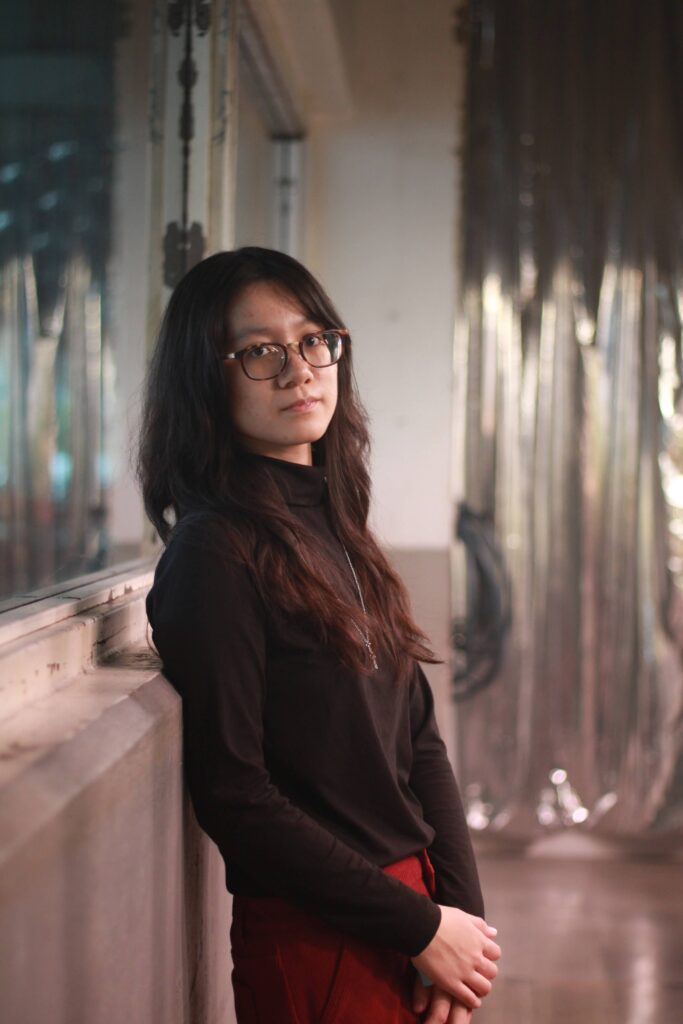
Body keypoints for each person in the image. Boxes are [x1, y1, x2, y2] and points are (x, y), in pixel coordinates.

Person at [139, 247, 501, 1024]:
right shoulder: (215, 551)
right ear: (206, 378)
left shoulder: (336, 524)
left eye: (313, 340)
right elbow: (235, 796)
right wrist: (420, 927)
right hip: (322, 932)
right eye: (260, 352)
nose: (299, 369)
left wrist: (460, 922)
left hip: (411, 912)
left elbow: (418, 737)